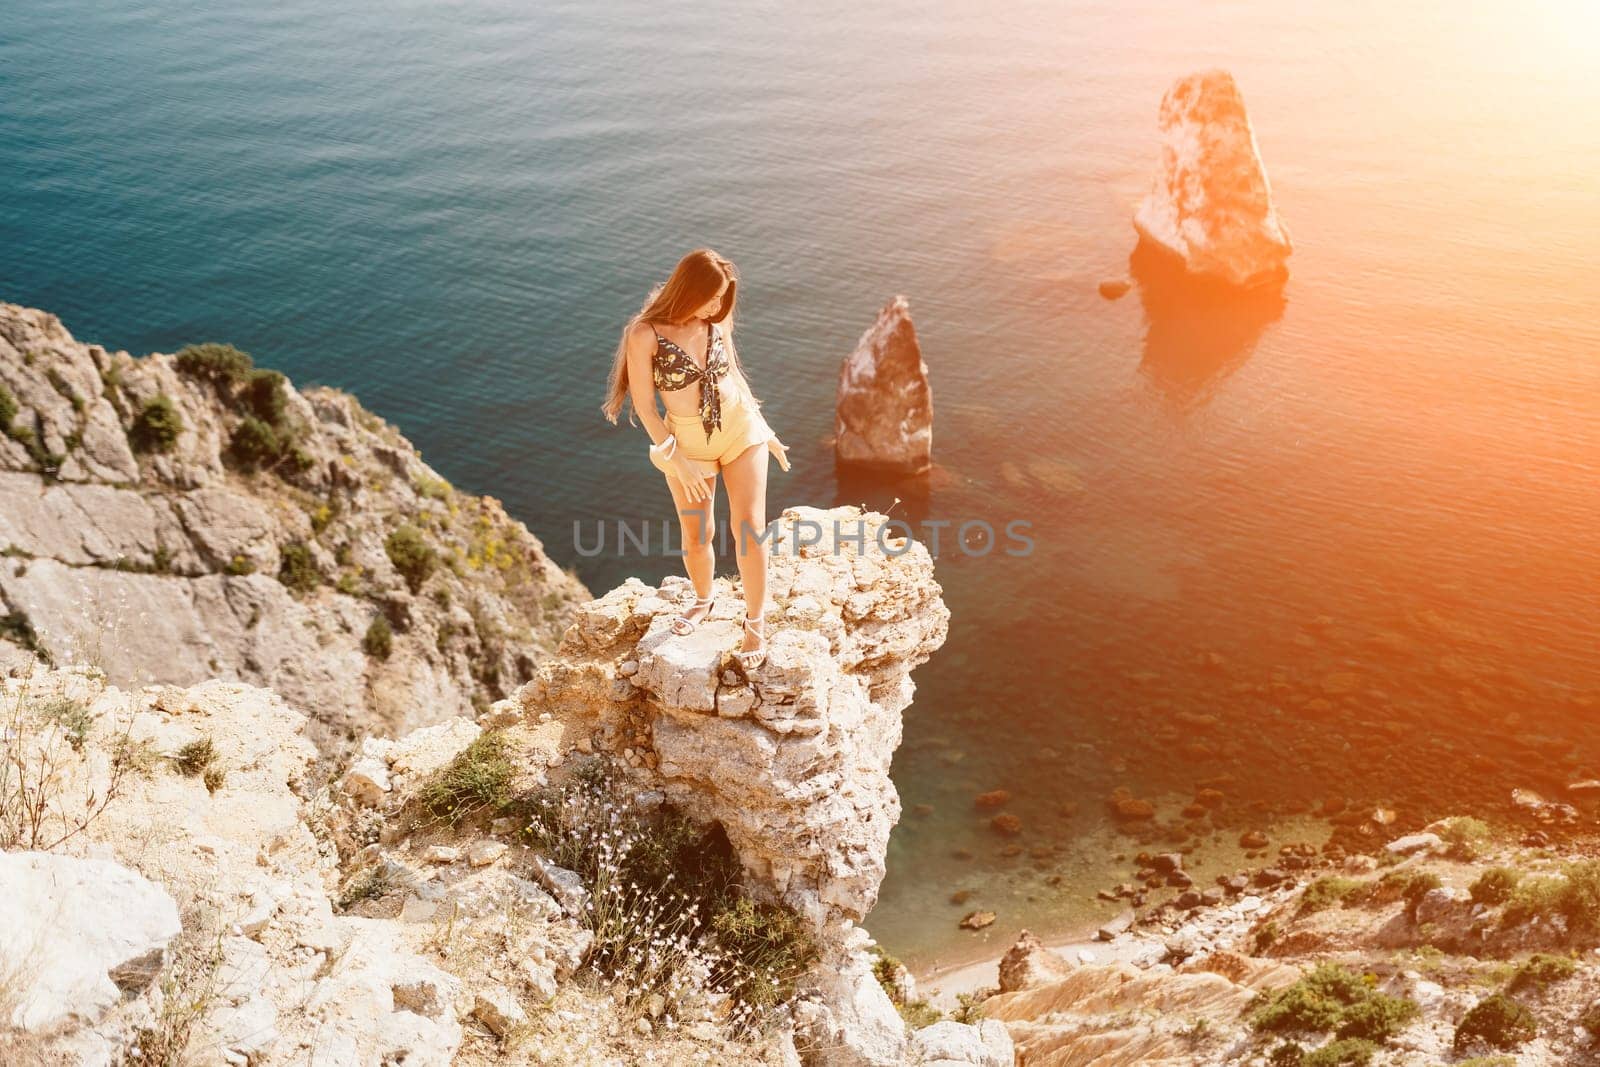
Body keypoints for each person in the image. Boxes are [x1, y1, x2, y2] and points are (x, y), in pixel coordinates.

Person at [601, 248, 790, 669]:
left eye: (723, 297)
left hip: (741, 431)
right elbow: (647, 409)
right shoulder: (645, 334)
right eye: (712, 296)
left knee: (750, 529)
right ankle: (704, 600)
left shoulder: (717, 321)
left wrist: (766, 430)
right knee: (696, 534)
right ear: (690, 290)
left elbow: (734, 376)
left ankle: (755, 622)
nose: (718, 306)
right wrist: (677, 460)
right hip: (685, 445)